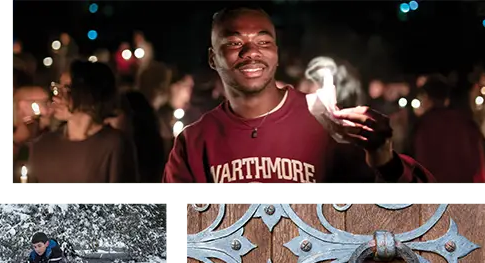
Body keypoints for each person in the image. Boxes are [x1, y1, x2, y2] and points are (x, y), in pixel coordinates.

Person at [165, 7, 430, 185]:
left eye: (263, 41)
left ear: (276, 54)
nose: (251, 51)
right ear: (213, 58)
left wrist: (384, 157)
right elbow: (172, 239)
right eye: (234, 43)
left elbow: (415, 210)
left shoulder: (327, 119)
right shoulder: (194, 141)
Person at [27, 60, 139, 185]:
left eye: (67, 88)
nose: (56, 97)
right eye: (57, 88)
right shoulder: (42, 146)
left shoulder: (114, 146)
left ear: (89, 93)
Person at [409, 74, 485, 184]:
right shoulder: (465, 123)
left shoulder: (423, 125)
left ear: (427, 97)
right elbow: (478, 162)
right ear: (447, 99)